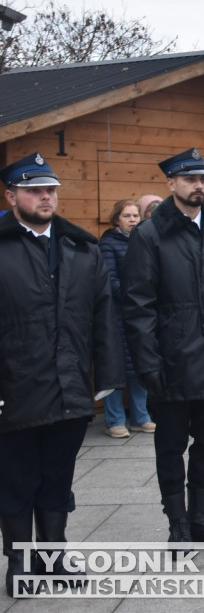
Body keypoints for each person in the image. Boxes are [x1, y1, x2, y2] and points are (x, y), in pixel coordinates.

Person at [0, 153, 124, 597]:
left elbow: (103, 317)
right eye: (34, 190)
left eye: (50, 189)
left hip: (69, 386)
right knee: (15, 479)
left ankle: (53, 554)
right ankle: (20, 562)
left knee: (57, 476)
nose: (45, 197)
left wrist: (107, 378)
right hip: (14, 389)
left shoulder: (80, 247)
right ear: (12, 196)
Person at [122, 148, 204, 550]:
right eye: (190, 179)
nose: (199, 186)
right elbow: (138, 306)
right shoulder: (150, 235)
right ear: (171, 184)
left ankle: (201, 517)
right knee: (171, 447)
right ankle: (177, 523)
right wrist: (148, 363)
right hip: (173, 361)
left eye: (203, 179)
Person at [99, 199, 156, 437]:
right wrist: (135, 295)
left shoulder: (143, 240)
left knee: (139, 364)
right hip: (117, 315)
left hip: (140, 313)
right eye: (127, 216)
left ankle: (140, 417)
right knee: (115, 367)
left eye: (135, 215)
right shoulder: (108, 244)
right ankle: (114, 420)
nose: (133, 220)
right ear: (116, 219)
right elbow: (109, 279)